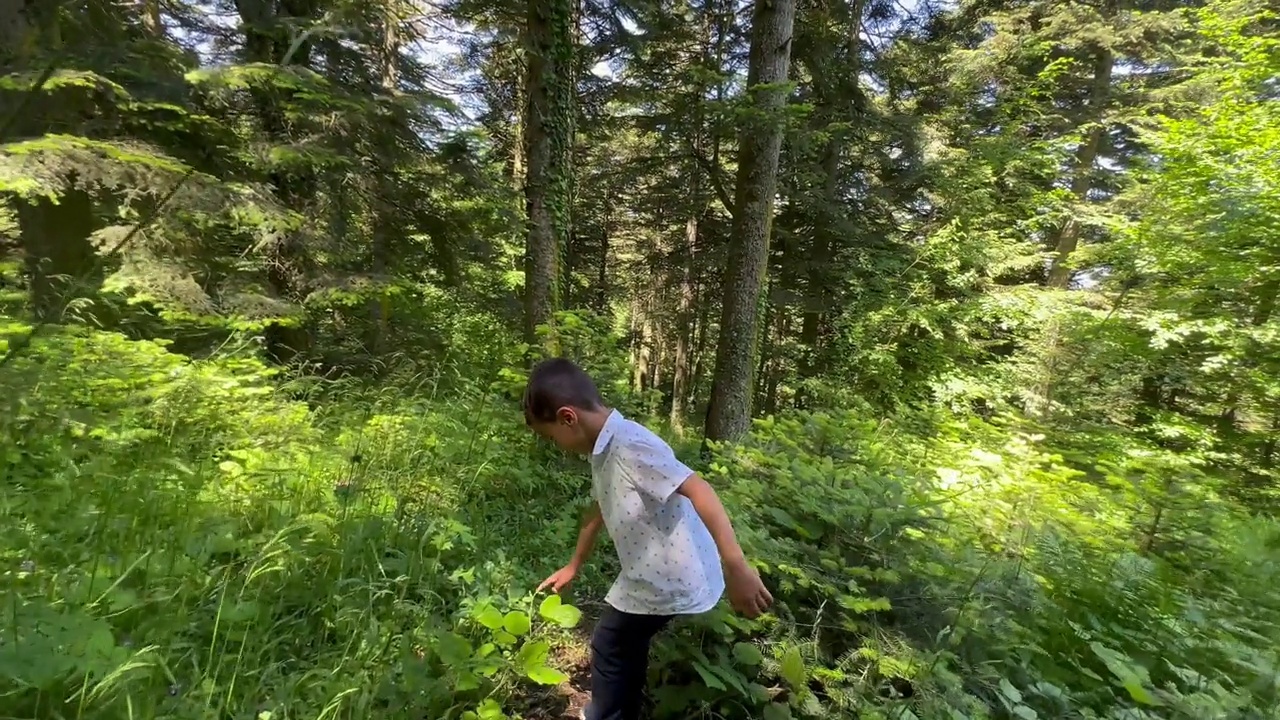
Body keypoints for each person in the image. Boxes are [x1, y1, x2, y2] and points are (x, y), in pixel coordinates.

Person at [523, 358, 773, 720]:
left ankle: (604, 714)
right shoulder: (603, 444)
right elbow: (599, 506)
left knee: (609, 643)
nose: (556, 445)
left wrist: (737, 567)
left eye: (550, 437)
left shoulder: (629, 445)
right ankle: (625, 708)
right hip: (652, 571)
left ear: (567, 417)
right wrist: (574, 564)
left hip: (665, 576)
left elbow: (699, 489)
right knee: (627, 643)